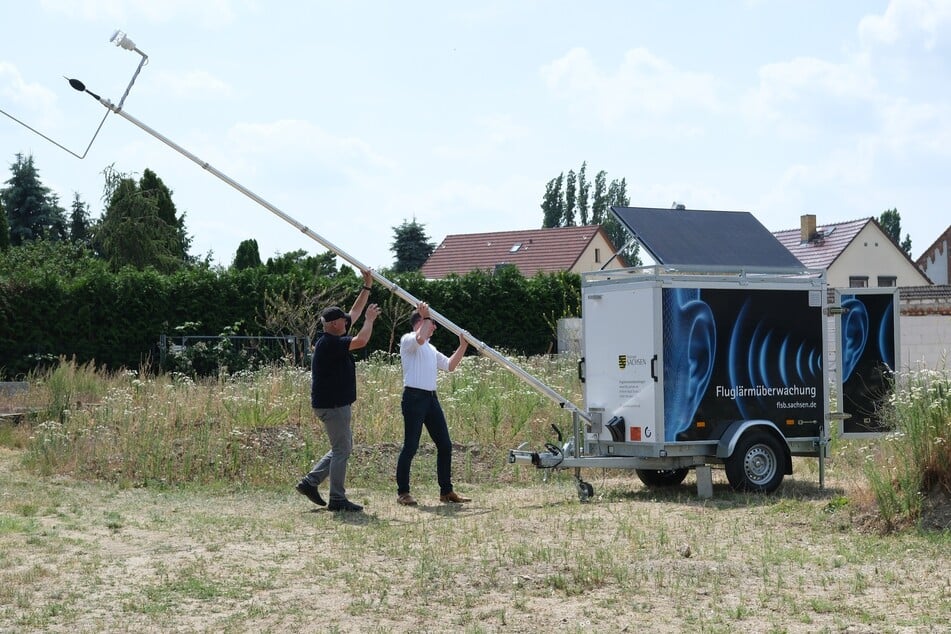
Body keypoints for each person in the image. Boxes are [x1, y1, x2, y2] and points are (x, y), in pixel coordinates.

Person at [296, 270, 380, 512]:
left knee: (342, 447)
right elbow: (362, 341)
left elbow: (354, 311)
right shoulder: (330, 343)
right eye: (343, 320)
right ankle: (337, 499)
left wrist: (367, 286)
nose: (347, 321)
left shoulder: (333, 333)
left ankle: (310, 482)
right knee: (342, 449)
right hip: (333, 406)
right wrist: (370, 320)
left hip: (333, 404)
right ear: (334, 324)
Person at [395, 301, 470, 506]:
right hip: (413, 398)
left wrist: (462, 345)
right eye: (431, 323)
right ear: (420, 322)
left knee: (445, 445)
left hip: (430, 399)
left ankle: (446, 491)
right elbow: (419, 338)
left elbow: (449, 366)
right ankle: (403, 492)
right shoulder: (409, 340)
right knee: (411, 446)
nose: (434, 327)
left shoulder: (431, 348)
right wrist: (427, 316)